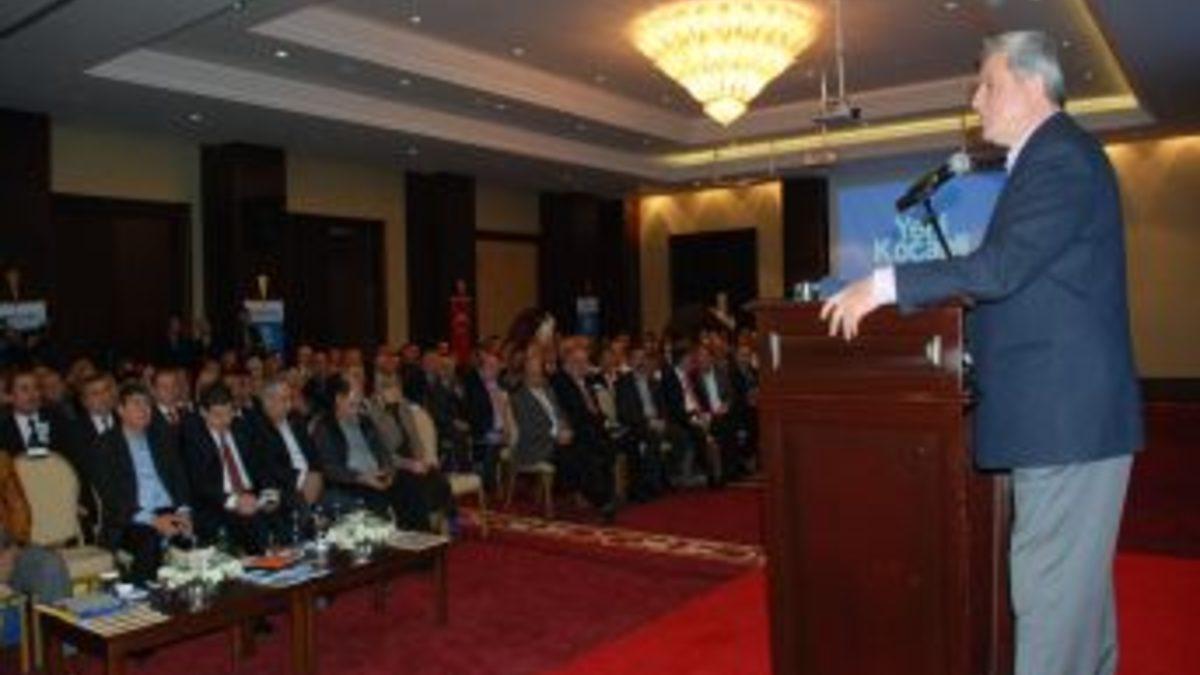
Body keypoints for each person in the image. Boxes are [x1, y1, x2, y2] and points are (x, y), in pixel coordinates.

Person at [820, 31, 1142, 675]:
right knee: (1075, 607)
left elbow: (1000, 268)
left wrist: (883, 284)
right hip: (1067, 422)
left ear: (1031, 84)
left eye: (987, 85)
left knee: (1051, 605)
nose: (975, 100)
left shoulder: (1060, 157)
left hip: (1065, 424)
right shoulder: (1051, 157)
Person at [90, 383, 194, 584]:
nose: (144, 409)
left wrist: (184, 511)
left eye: (147, 404)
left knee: (201, 529)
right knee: (149, 540)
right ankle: (146, 596)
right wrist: (153, 520)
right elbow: (112, 497)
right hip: (132, 517)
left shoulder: (162, 438)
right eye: (136, 404)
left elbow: (180, 479)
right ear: (120, 410)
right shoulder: (105, 445)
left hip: (168, 510)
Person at [182, 383, 288, 554]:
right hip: (219, 502)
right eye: (218, 415)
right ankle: (262, 564)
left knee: (285, 508)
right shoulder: (193, 437)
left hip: (253, 496)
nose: (225, 420)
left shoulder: (243, 428)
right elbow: (199, 483)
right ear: (203, 412)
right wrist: (235, 501)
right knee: (252, 524)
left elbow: (262, 465)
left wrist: (269, 491)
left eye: (229, 412)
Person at [0, 451, 71, 609]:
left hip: (7, 546)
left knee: (50, 564)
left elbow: (20, 512)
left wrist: (14, 550)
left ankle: (56, 624)